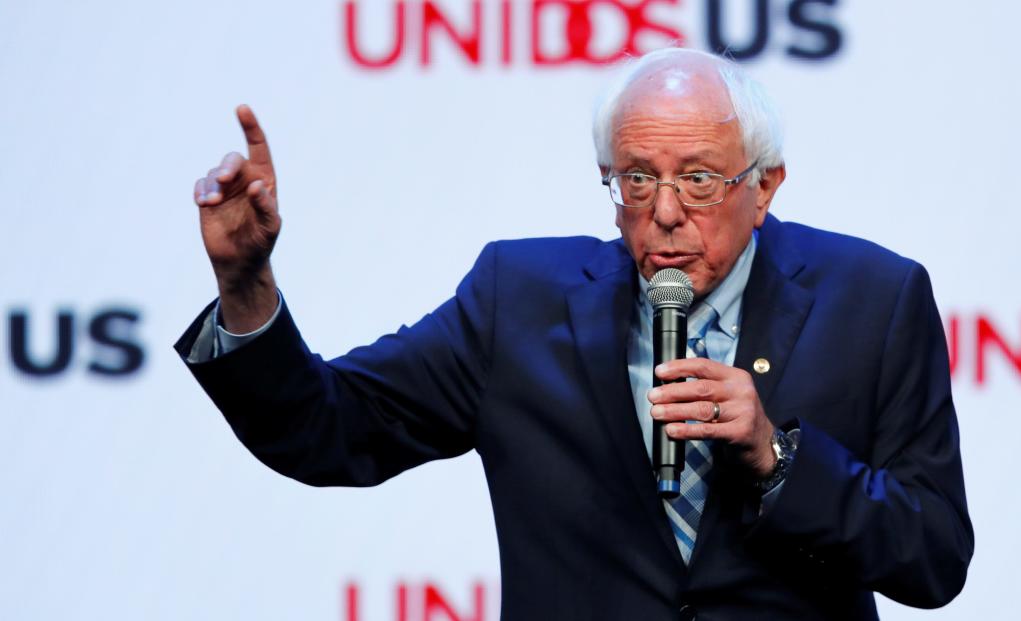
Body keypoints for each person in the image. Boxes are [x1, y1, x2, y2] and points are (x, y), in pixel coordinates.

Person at [177, 48, 972, 620]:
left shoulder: (874, 299)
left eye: (697, 178)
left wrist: (777, 458)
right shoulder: (516, 303)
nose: (664, 210)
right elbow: (325, 427)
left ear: (763, 186)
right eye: (636, 177)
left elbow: (933, 554)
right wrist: (245, 285)